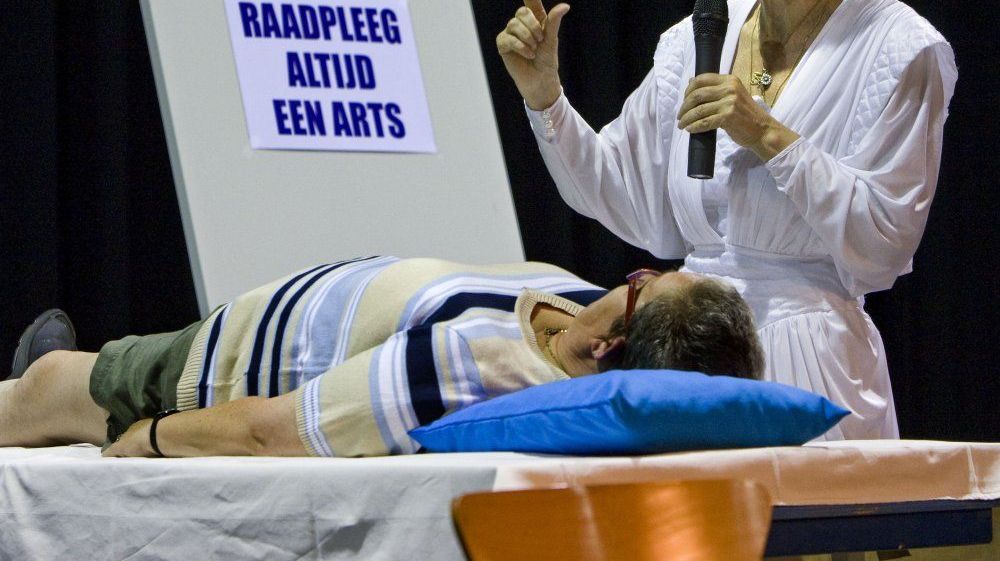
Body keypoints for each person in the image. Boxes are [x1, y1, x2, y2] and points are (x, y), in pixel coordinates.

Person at [496, 0, 957, 440]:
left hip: (809, 365)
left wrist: (766, 134)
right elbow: (623, 190)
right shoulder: (695, 39)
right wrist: (546, 100)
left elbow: (884, 241)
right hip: (685, 360)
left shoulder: (901, 49)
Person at [0, 255, 762, 458]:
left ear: (612, 345)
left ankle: (53, 381)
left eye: (645, 283)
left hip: (212, 365)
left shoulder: (479, 373)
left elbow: (278, 430)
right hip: (268, 311)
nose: (638, 270)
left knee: (44, 386)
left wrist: (157, 434)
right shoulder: (582, 319)